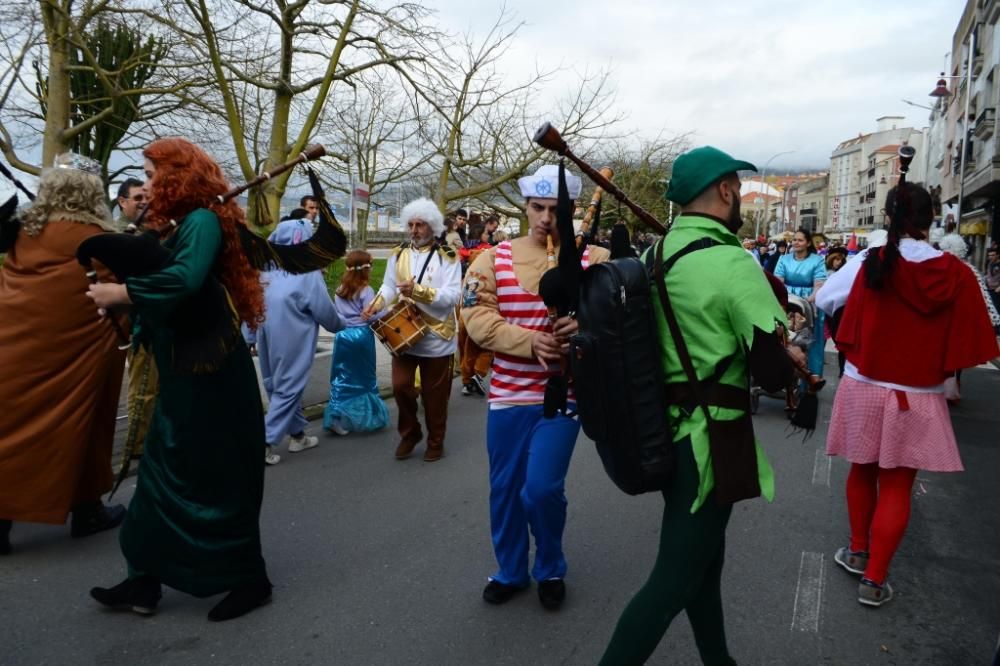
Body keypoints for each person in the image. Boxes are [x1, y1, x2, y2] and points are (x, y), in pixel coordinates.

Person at [598, 146, 797, 664]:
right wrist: (789, 347)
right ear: (728, 192)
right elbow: (772, 373)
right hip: (714, 444)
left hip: (664, 432)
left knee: (703, 569)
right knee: (670, 585)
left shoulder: (652, 257)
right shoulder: (732, 262)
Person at [87, 138, 273, 621]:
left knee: (218, 474)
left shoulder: (204, 222)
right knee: (159, 472)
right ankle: (143, 580)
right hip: (183, 369)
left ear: (176, 176)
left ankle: (250, 579)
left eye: (152, 175)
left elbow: (186, 280)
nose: (146, 187)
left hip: (212, 374)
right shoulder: (179, 224)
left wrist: (122, 291)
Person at [816, 182, 996, 608]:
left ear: (888, 217)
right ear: (933, 218)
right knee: (898, 486)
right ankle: (875, 581)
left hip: (864, 383)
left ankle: (857, 551)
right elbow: (976, 338)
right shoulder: (956, 272)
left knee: (862, 470)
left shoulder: (871, 260)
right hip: (918, 393)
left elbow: (825, 299)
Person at [463, 164, 610, 611]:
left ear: (572, 210)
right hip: (508, 396)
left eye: (556, 209)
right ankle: (511, 571)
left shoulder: (594, 260)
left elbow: (621, 315)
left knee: (542, 489)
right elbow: (475, 316)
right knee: (505, 489)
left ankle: (549, 566)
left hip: (562, 395)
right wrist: (530, 342)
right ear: (526, 207)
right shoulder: (493, 257)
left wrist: (584, 324)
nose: (546, 218)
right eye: (538, 207)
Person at [0, 154, 127, 555]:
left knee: (9, 431)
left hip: (14, 348)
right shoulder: (97, 239)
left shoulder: (24, 232)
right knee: (85, 422)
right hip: (78, 354)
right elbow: (119, 296)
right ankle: (87, 509)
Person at [362, 197, 461, 462]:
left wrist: (418, 291)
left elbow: (452, 296)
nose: (414, 230)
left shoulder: (448, 257)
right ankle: (410, 433)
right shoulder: (398, 253)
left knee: (435, 396)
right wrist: (374, 304)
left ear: (432, 227)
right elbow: (388, 287)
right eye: (411, 224)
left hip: (438, 335)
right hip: (404, 334)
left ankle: (436, 440)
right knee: (400, 386)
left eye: (420, 225)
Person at [250, 221, 343, 465]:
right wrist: (342, 324)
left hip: (265, 333)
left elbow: (250, 303)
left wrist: (248, 336)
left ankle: (298, 435)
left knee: (275, 384)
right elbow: (324, 309)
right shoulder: (306, 270)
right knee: (288, 388)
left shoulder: (266, 269)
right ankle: (265, 442)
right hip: (293, 335)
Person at [324, 250, 389, 435]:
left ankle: (335, 416)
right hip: (361, 335)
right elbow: (370, 317)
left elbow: (338, 313)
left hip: (343, 335)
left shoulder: (339, 290)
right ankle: (369, 417)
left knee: (342, 376)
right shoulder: (366, 291)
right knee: (365, 377)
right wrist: (385, 310)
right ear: (365, 269)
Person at [775, 228, 827, 379]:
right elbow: (778, 282)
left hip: (808, 304)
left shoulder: (817, 260)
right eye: (794, 240)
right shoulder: (784, 259)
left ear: (808, 243)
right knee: (784, 340)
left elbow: (819, 284)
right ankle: (781, 375)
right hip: (786, 302)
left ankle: (811, 379)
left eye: (800, 240)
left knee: (811, 343)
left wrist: (807, 302)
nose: (796, 243)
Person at [987, 246, 1000, 334]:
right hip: (989, 289)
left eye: (993, 255)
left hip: (997, 290)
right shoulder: (990, 263)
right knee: (991, 309)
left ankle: (998, 331)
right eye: (989, 255)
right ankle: (993, 329)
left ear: (998, 255)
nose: (991, 257)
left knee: (997, 310)